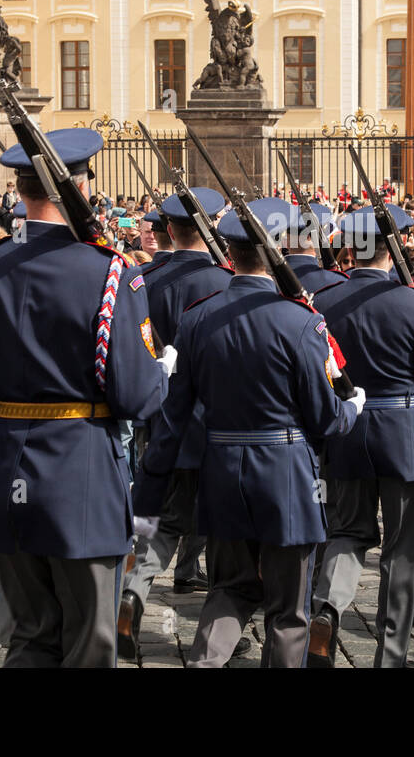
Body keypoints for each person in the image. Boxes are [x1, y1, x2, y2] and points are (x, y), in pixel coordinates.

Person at [0, 127, 171, 667]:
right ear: (80, 188)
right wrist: (161, 374)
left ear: (21, 190)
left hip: (6, 462)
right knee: (90, 640)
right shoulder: (110, 272)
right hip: (80, 466)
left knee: (33, 636)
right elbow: (134, 394)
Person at [131, 198, 364, 667]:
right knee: (287, 610)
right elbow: (324, 418)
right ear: (278, 249)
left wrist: (149, 490)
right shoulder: (301, 321)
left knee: (229, 592)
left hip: (221, 472)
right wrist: (352, 408)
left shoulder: (198, 318)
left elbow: (173, 419)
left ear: (229, 251)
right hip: (285, 474)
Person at [306, 208, 414, 667]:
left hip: (349, 429)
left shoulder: (324, 300)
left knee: (347, 532)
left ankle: (328, 606)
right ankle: (391, 654)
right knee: (403, 548)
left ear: (350, 250)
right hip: (402, 431)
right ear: (394, 251)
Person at [117, 188, 235, 662]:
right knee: (223, 526)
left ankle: (133, 596)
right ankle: (217, 632)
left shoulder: (143, 278)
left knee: (161, 523)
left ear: (168, 230)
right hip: (218, 419)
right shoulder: (226, 282)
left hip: (161, 413)